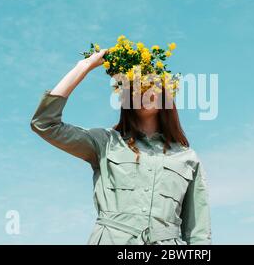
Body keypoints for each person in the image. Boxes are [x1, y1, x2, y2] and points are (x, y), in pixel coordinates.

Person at [30, 48, 211, 244]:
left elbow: (198, 235)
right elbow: (44, 124)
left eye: (151, 84)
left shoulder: (187, 158)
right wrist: (84, 67)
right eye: (135, 87)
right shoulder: (106, 142)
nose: (144, 91)